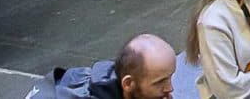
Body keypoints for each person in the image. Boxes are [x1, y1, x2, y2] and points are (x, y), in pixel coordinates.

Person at [51, 36, 183, 99]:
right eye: (159, 82)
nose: (169, 88)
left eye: (170, 77)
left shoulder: (119, 76)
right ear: (128, 83)